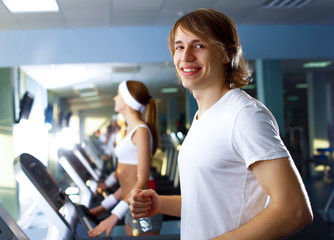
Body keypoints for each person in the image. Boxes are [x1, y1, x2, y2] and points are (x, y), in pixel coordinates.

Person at [128, 8, 313, 240]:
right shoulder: (202, 117)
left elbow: (294, 210)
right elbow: (211, 203)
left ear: (227, 54)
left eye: (199, 45)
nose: (185, 57)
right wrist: (160, 203)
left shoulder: (244, 115)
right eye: (179, 46)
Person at [88, 80, 162, 237]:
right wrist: (104, 206)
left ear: (128, 100)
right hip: (131, 201)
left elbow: (141, 182)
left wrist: (114, 216)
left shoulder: (141, 131)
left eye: (118, 94)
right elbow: (128, 181)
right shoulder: (131, 130)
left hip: (144, 205)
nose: (115, 98)